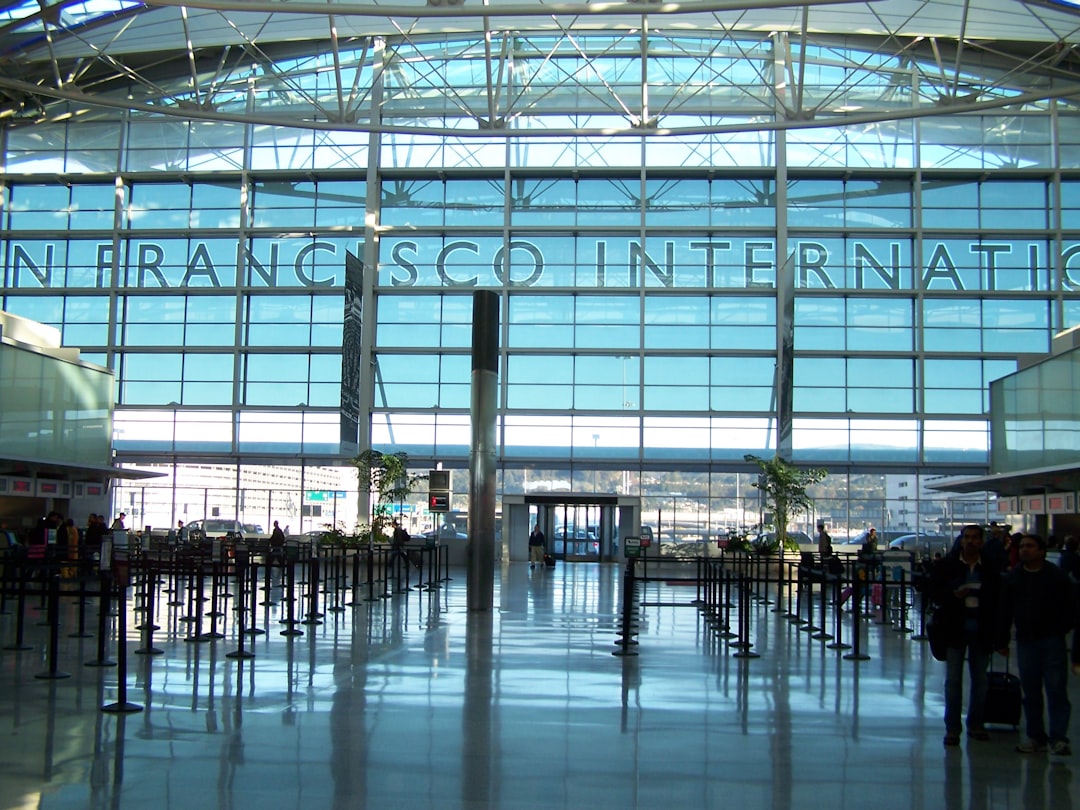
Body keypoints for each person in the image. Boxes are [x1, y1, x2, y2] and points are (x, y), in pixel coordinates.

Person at [998, 533, 1077, 755]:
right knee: (1031, 691)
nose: (1025, 550)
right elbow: (1005, 610)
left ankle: (1059, 737)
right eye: (1022, 546)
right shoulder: (1014, 578)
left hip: (1052, 639)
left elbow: (1070, 606)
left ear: (1041, 551)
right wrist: (1001, 639)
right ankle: (1036, 736)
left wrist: (1063, 627)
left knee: (1056, 689)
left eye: (1030, 546)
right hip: (1026, 639)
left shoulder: (1056, 577)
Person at [930, 524, 1004, 747]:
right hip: (955, 629)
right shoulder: (948, 566)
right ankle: (952, 728)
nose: (970, 541)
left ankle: (976, 723)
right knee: (953, 680)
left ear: (981, 541)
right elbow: (934, 592)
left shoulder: (990, 568)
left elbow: (999, 601)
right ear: (961, 541)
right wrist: (953, 594)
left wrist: (1000, 637)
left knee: (980, 680)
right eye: (967, 538)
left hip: (981, 630)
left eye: (974, 538)